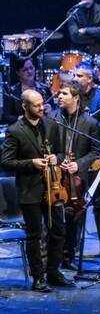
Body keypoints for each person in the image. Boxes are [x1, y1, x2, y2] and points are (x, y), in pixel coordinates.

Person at [1, 90, 75, 292]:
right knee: (34, 235)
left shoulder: (50, 125)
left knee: (58, 231)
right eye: (36, 105)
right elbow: (6, 161)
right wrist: (31, 163)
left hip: (53, 187)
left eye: (42, 104)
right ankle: (38, 278)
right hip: (30, 190)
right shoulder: (15, 130)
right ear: (25, 107)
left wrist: (56, 159)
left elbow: (60, 153)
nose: (42, 108)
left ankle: (53, 272)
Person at [50, 81, 100, 266]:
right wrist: (58, 158)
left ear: (76, 98)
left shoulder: (90, 123)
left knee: (73, 218)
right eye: (59, 93)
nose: (59, 96)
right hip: (56, 176)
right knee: (54, 218)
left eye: (64, 93)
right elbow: (48, 147)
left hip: (77, 179)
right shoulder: (54, 118)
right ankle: (52, 256)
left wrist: (78, 165)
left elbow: (96, 151)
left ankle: (69, 255)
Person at [71, 61, 100, 255]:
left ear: (89, 79)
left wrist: (94, 125)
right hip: (80, 155)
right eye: (74, 75)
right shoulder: (72, 97)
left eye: (79, 76)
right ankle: (73, 246)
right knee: (77, 201)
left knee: (99, 199)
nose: (75, 79)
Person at [2, 57, 52, 124]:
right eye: (25, 70)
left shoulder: (45, 89)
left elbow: (55, 111)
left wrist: (51, 110)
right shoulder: (11, 92)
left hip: (42, 128)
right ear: (18, 73)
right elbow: (6, 117)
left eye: (31, 68)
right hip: (21, 129)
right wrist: (21, 118)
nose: (29, 71)